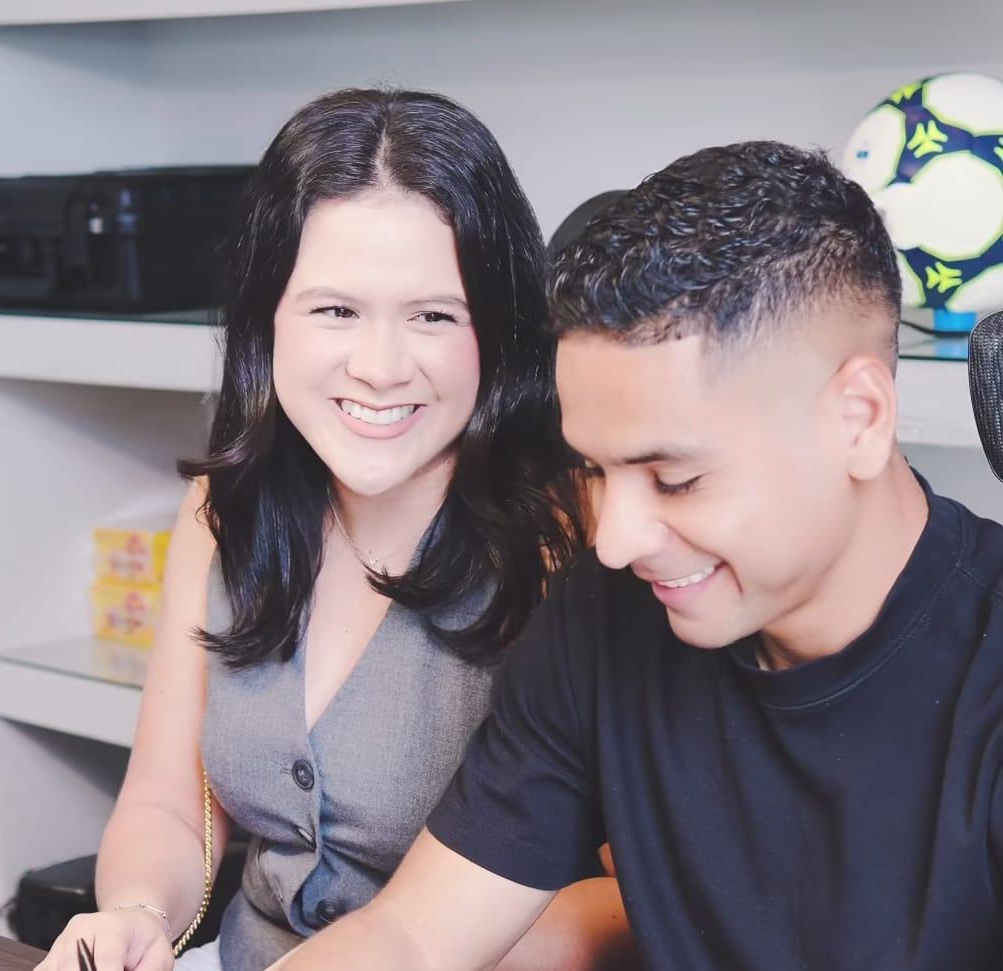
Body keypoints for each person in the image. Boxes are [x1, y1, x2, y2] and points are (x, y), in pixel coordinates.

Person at [272, 140, 1003, 971]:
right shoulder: (604, 617)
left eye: (675, 479)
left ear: (859, 419)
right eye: (593, 470)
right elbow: (411, 935)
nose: (614, 540)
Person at [35, 89, 638, 971]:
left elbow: (640, 895)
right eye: (335, 311)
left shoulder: (577, 538)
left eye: (434, 315)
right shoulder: (224, 509)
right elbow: (168, 801)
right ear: (266, 317)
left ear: (499, 329)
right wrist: (135, 912)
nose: (380, 367)